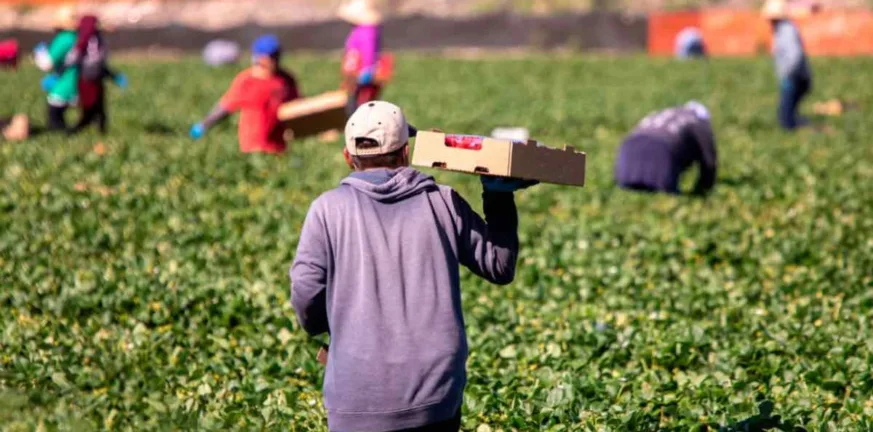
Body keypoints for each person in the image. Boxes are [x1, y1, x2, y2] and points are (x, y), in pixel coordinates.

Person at [289, 101, 536, 432]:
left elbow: (306, 295)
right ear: (405, 152)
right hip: (436, 397)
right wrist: (498, 196)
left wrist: (334, 326)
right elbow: (498, 265)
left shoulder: (327, 210)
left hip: (357, 399)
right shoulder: (442, 201)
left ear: (349, 158)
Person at [190, 35, 300, 153]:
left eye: (277, 55)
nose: (276, 60)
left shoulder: (286, 79)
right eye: (272, 56)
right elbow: (225, 107)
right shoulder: (246, 81)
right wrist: (203, 126)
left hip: (279, 147)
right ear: (260, 58)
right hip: (253, 147)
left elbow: (297, 106)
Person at [615, 101, 717, 195]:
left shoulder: (659, 114)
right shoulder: (698, 122)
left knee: (628, 193)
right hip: (661, 151)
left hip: (628, 150)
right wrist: (702, 192)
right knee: (664, 197)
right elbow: (709, 161)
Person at [67, 15, 127, 135]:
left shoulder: (97, 41)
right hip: (86, 80)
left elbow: (100, 63)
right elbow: (72, 60)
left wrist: (113, 75)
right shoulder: (82, 42)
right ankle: (77, 130)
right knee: (90, 108)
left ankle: (100, 131)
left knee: (99, 108)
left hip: (95, 79)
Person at [763, 0, 812, 130]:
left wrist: (788, 74)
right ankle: (800, 128)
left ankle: (803, 129)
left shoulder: (787, 30)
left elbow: (795, 55)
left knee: (785, 118)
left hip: (793, 77)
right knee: (787, 114)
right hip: (792, 76)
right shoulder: (780, 29)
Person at [34, 6, 79, 132]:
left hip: (65, 85)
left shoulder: (63, 39)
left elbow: (46, 64)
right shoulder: (78, 37)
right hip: (80, 82)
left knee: (54, 117)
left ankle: (61, 132)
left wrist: (39, 53)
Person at [338, 0, 385, 116]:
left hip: (361, 77)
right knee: (352, 104)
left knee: (360, 107)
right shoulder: (359, 30)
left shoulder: (368, 32)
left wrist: (367, 72)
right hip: (354, 76)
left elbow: (368, 52)